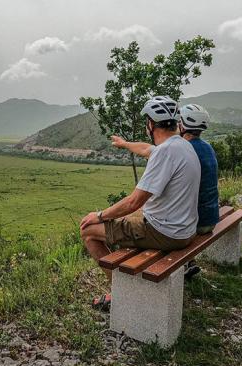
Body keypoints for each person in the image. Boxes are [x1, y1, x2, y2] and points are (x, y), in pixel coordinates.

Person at [80, 95, 201, 311]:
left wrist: (99, 215)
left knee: (89, 231)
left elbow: (134, 202)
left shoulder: (165, 153)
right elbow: (147, 149)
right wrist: (125, 144)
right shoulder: (181, 145)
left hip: (166, 233)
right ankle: (127, 279)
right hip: (185, 229)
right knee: (123, 221)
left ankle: (119, 292)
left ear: (151, 124)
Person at [112, 103, 219, 278]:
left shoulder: (182, 149)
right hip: (210, 216)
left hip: (195, 223)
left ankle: (132, 274)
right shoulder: (203, 147)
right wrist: (125, 144)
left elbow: (151, 151)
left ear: (182, 125)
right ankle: (188, 263)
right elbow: (148, 149)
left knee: (134, 218)